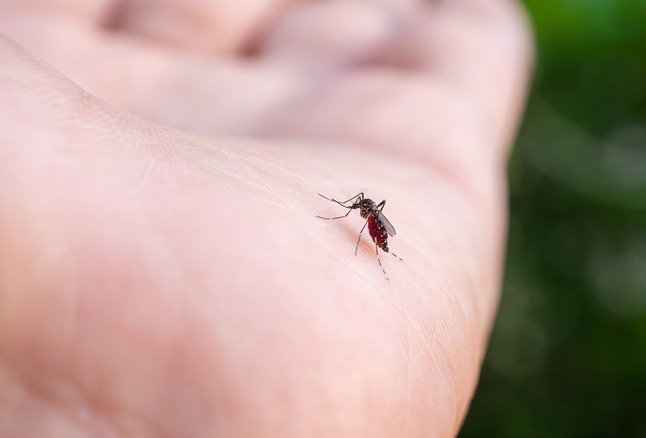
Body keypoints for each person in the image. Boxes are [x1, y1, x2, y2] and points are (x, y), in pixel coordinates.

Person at [0, 0, 532, 436]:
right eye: (369, 212)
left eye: (367, 211)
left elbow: (370, 218)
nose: (366, 212)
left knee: (366, 237)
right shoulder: (370, 209)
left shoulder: (370, 217)